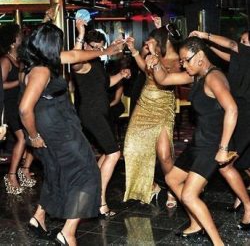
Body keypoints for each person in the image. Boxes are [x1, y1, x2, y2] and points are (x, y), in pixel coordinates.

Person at [18, 22, 122, 245]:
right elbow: (24, 108)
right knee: (87, 173)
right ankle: (68, 232)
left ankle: (39, 216)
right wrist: (34, 136)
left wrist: (105, 50)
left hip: (52, 125)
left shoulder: (39, 63)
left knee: (56, 171)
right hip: (57, 128)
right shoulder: (42, 70)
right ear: (51, 45)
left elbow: (75, 55)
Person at [146, 36, 250, 245]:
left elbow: (232, 109)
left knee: (189, 195)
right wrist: (156, 63)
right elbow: (164, 80)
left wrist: (223, 148)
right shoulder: (197, 75)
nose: (182, 64)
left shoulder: (214, 78)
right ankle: (196, 223)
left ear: (200, 57)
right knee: (172, 180)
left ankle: (218, 242)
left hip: (212, 144)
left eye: (185, 60)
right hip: (198, 141)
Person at [72, 21, 131, 217]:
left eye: (99, 47)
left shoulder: (97, 63)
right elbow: (75, 61)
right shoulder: (82, 64)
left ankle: (90, 192)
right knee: (114, 154)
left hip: (101, 113)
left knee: (107, 154)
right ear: (87, 47)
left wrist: (121, 75)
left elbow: (104, 85)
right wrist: (81, 35)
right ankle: (100, 202)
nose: (96, 51)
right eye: (93, 48)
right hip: (91, 114)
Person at [190, 30, 250, 216]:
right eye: (241, 40)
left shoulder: (247, 54)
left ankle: (247, 204)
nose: (240, 44)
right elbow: (230, 54)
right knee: (243, 161)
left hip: (245, 113)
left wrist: (205, 36)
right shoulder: (242, 60)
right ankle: (241, 198)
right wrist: (206, 47)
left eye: (245, 41)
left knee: (228, 163)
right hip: (239, 110)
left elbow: (231, 46)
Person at [123, 24, 182, 206]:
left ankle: (173, 188)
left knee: (164, 155)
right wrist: (134, 50)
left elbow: (167, 81)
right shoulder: (152, 56)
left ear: (162, 42)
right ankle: (151, 186)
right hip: (144, 104)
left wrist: (156, 61)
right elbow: (144, 68)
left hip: (163, 107)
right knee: (131, 147)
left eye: (152, 42)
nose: (148, 45)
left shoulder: (179, 60)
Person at [0, 23, 36, 195]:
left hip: (21, 102)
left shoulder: (20, 59)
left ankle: (24, 169)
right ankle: (11, 175)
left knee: (33, 135)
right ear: (12, 41)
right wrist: (20, 82)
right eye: (19, 35)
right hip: (10, 105)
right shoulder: (5, 61)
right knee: (22, 138)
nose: (21, 37)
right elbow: (1, 85)